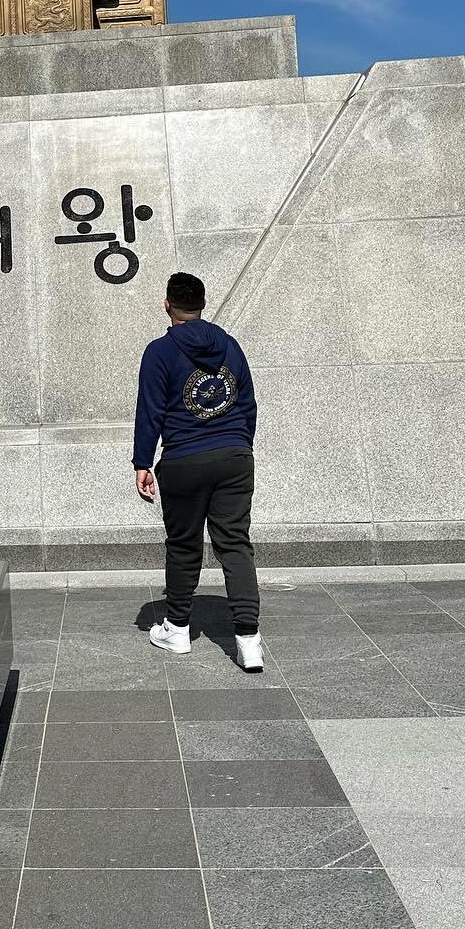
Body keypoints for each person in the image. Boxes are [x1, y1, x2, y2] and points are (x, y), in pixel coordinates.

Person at [132, 272, 263, 671]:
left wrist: (141, 461)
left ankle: (177, 628)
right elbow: (248, 402)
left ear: (167, 304)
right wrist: (241, 447)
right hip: (234, 457)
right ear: (203, 304)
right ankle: (249, 641)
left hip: (184, 461)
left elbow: (150, 410)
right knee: (235, 545)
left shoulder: (159, 351)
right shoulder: (230, 345)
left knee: (184, 545)